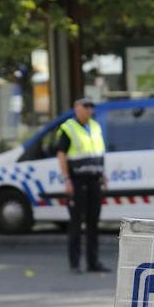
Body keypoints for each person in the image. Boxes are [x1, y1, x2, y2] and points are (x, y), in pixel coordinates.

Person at [55, 97, 107, 272]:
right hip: (77, 181)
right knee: (76, 223)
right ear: (76, 108)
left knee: (93, 223)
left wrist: (102, 174)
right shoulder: (68, 128)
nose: (89, 109)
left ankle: (93, 262)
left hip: (94, 180)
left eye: (91, 106)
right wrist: (67, 180)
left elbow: (97, 153)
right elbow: (61, 155)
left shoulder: (95, 127)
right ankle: (75, 263)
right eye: (86, 106)